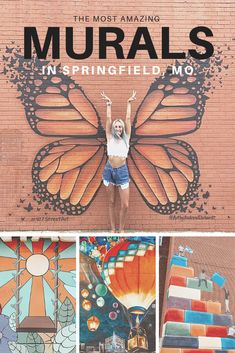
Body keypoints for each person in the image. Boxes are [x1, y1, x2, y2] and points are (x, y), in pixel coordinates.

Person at [101, 91, 136, 233]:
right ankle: (113, 229)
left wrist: (129, 103)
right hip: (109, 170)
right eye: (116, 126)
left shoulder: (126, 139)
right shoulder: (109, 137)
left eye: (120, 126)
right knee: (111, 202)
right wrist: (109, 105)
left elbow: (128, 119)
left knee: (125, 204)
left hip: (122, 171)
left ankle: (121, 230)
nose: (118, 128)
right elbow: (108, 118)